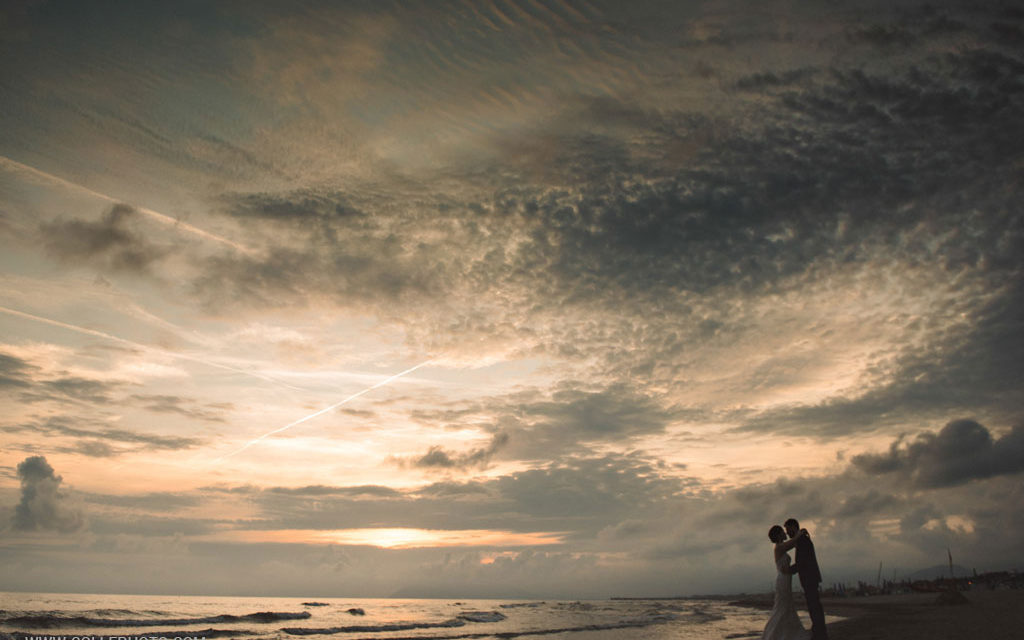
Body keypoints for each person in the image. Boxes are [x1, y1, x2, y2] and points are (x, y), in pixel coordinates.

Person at [761, 525, 810, 640]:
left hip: (786, 579)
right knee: (781, 607)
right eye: (783, 532)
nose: (785, 533)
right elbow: (793, 541)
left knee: (787, 606)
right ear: (778, 535)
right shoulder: (778, 547)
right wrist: (799, 532)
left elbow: (794, 543)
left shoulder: (782, 546)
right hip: (783, 580)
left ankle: (787, 633)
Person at [785, 518, 828, 640]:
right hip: (810, 578)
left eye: (788, 529)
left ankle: (820, 634)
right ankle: (819, 632)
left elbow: (802, 562)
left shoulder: (803, 540)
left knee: (814, 606)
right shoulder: (801, 539)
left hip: (809, 578)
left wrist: (788, 570)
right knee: (814, 606)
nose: (787, 533)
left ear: (793, 527)